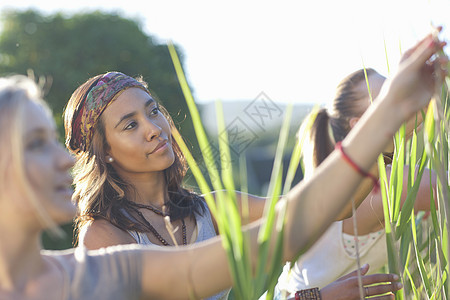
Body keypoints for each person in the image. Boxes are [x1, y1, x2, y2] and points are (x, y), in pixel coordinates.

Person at [0, 30, 445, 299]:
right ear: (104, 152)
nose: (155, 128)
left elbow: (306, 214)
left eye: (153, 111)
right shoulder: (104, 241)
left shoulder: (209, 208)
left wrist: (388, 121)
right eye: (130, 125)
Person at [273, 65, 440, 297]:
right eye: (385, 97)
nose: (404, 94)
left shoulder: (343, 182)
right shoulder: (374, 186)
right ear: (359, 125)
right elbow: (442, 190)